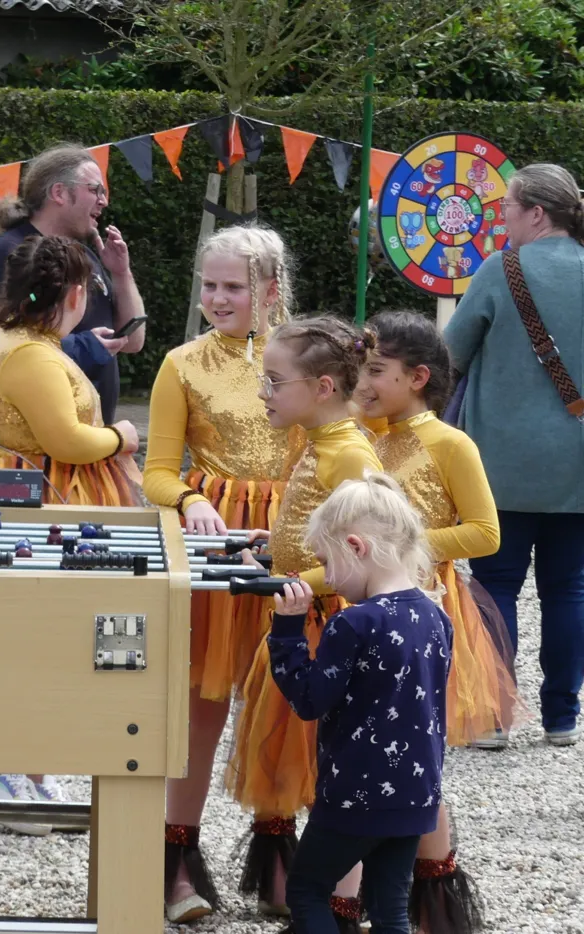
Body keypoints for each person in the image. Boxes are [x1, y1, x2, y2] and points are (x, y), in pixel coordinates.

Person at [142, 224, 295, 923]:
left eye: (234, 286)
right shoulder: (182, 363)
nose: (218, 298)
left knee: (283, 700)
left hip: (286, 542)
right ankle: (176, 864)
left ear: (271, 289)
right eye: (209, 285)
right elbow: (155, 471)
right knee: (201, 706)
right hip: (216, 548)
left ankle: (277, 858)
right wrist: (191, 498)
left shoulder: (304, 355)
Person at [0, 233, 141, 831]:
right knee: (40, 640)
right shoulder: (33, 355)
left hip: (43, 506)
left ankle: (29, 764)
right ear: (73, 295)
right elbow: (66, 441)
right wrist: (121, 436)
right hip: (45, 510)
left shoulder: (21, 342)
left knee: (46, 640)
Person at [359, 310, 516, 933]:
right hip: (365, 610)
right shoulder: (358, 435)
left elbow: (485, 532)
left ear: (418, 377)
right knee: (364, 747)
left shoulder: (451, 444)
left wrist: (399, 544)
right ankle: (361, 891)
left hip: (427, 610)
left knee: (417, 758)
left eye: (376, 370)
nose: (363, 382)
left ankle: (430, 901)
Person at [225, 315, 383, 929]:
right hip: (302, 618)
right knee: (309, 765)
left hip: (328, 628)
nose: (263, 392)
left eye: (274, 381)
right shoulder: (319, 441)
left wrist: (293, 581)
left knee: (330, 770)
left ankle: (340, 911)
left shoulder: (349, 454)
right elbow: (319, 535)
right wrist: (277, 552)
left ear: (322, 387)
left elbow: (365, 558)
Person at [269, 472, 453, 934]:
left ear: (356, 547)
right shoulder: (436, 616)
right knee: (390, 909)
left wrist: (287, 630)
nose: (327, 577)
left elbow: (309, 699)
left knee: (307, 889)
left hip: (355, 793)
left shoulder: (354, 624)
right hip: (416, 792)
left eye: (326, 562)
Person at [443, 162, 584, 748]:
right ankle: (562, 718)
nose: (502, 219)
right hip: (577, 466)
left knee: (494, 585)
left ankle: (494, 718)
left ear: (536, 213)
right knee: (568, 588)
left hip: (499, 465)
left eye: (507, 208)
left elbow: (450, 354)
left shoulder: (501, 271)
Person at [0, 143, 147, 467]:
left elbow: (133, 341)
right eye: (95, 190)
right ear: (59, 193)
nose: (104, 200)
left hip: (86, 448)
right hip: (31, 464)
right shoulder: (5, 253)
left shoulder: (82, 256)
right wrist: (85, 346)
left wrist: (121, 273)